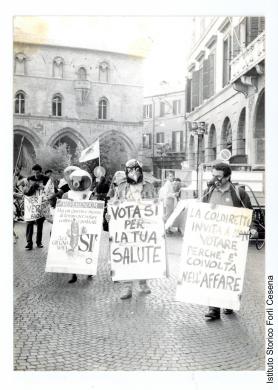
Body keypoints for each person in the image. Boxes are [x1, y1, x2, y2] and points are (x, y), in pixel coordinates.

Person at [202, 161, 252, 320]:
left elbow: (248, 212)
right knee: (214, 273)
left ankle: (229, 302)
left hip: (233, 241)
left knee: (231, 273)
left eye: (218, 176)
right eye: (213, 175)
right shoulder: (208, 191)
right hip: (213, 241)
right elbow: (201, 213)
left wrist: (253, 228)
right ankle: (213, 309)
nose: (215, 179)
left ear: (228, 177)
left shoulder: (239, 193)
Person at [107, 159, 156, 300]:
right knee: (126, 256)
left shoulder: (149, 187)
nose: (133, 173)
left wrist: (159, 216)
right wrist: (109, 214)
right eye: (130, 170)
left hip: (143, 228)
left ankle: (143, 282)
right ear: (126, 172)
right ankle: (127, 286)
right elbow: (114, 204)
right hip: (125, 229)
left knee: (142, 255)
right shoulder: (121, 187)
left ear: (140, 171)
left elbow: (155, 205)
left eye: (136, 170)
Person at [62, 169, 95, 284]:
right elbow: (62, 210)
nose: (77, 183)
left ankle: (88, 269)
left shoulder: (90, 195)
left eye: (79, 180)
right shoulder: (66, 194)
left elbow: (95, 209)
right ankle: (73, 273)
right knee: (72, 248)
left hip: (86, 225)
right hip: (72, 225)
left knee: (86, 248)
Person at [23, 164, 49, 250]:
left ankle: (39, 242)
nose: (36, 175)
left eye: (37, 173)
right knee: (29, 223)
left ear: (41, 172)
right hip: (31, 205)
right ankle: (29, 243)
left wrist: (44, 187)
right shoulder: (29, 179)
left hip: (41, 204)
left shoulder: (46, 179)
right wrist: (34, 186)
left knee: (40, 224)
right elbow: (26, 192)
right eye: (34, 173)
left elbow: (49, 190)